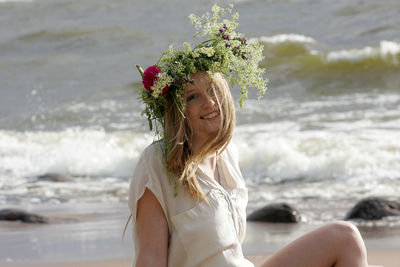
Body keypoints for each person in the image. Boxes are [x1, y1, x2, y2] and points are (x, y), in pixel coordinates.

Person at [128, 5, 379, 267]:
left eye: (213, 90)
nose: (209, 103)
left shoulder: (226, 156)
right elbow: (151, 257)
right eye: (193, 97)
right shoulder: (158, 162)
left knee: (345, 237)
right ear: (179, 111)